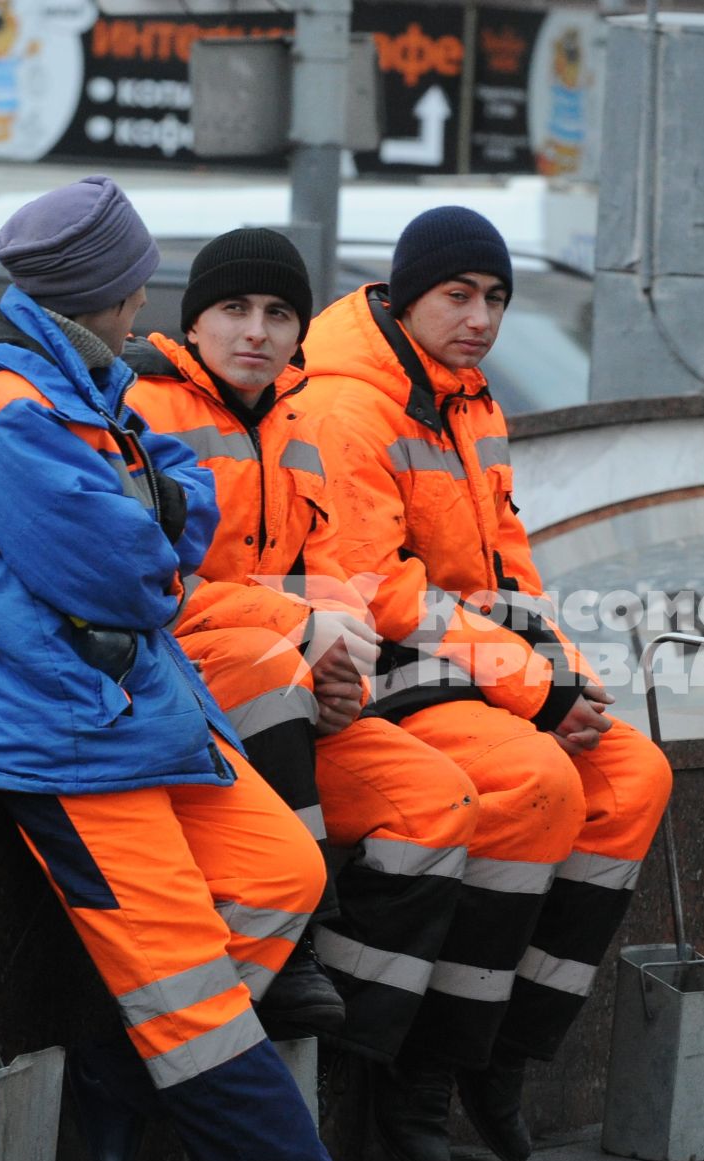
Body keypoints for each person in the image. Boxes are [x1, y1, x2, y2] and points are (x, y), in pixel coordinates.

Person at [0, 176, 446, 1161]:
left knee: (284, 868)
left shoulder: (80, 376)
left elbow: (173, 495)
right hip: (51, 729)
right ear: (105, 282)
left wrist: (152, 518)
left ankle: (109, 1071)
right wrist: (154, 522)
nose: (145, 293)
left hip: (129, 706)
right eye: (135, 275)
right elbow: (133, 573)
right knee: (182, 966)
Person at [294, 206, 674, 1161]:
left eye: (495, 296)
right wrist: (535, 690)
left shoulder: (467, 400)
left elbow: (507, 570)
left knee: (631, 774)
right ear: (405, 293)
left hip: (458, 657)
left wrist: (571, 683)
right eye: (458, 294)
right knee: (533, 780)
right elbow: (381, 592)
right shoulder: (349, 402)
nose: (481, 315)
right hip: (371, 665)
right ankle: (417, 1065)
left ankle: (501, 1049)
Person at [123, 227, 484, 1111]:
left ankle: (360, 1069)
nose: (258, 331)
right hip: (180, 682)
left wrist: (341, 671)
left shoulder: (298, 418)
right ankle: (301, 951)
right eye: (234, 310)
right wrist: (301, 632)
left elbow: (339, 574)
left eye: (279, 313)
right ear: (193, 322)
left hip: (285, 691)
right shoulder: (142, 403)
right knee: (261, 660)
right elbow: (153, 587)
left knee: (439, 800)